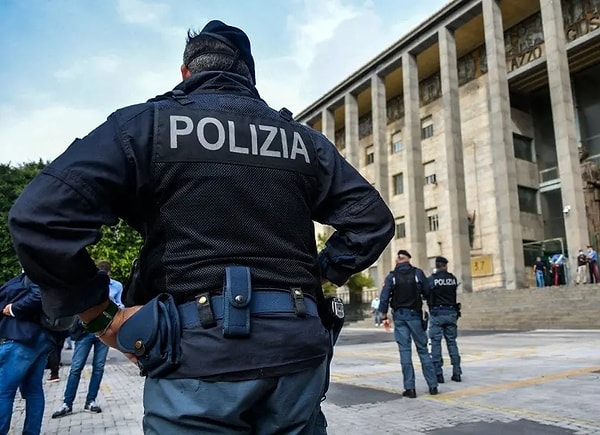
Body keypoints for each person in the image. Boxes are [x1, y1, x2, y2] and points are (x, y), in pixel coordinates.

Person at [8, 20, 395, 434]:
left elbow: (39, 216)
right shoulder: (303, 141)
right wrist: (317, 272)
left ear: (186, 73)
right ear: (248, 75)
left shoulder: (147, 126)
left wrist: (100, 316)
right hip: (297, 354)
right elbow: (371, 221)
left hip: (194, 359)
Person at [51, 261, 123, 418]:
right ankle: (67, 403)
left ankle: (91, 400)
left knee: (98, 367)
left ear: (109, 273)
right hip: (86, 331)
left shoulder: (116, 286)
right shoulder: (89, 285)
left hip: (106, 329)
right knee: (76, 367)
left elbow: (120, 304)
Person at [378, 250, 438, 398]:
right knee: (423, 350)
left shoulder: (392, 276)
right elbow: (427, 290)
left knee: (405, 352)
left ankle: (410, 388)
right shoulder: (417, 273)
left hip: (399, 317)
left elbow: (384, 296)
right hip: (415, 316)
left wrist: (383, 314)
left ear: (398, 261)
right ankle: (433, 386)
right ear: (408, 260)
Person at [0, 273, 53, 435]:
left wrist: (13, 309)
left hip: (23, 337)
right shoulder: (48, 269)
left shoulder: (35, 269)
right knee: (33, 389)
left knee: (4, 390)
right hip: (43, 337)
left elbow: (38, 294)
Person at [427, 256, 462, 383]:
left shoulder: (432, 279)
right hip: (451, 312)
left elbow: (426, 293)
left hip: (437, 313)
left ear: (436, 265)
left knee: (436, 343)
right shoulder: (452, 279)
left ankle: (438, 374)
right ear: (445, 265)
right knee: (452, 342)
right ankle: (457, 372)